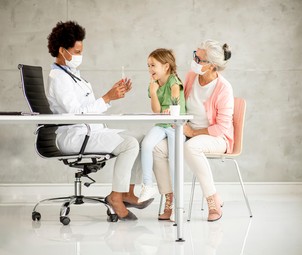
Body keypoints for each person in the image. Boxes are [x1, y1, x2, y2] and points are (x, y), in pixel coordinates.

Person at [46, 21, 153, 221]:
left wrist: (112, 95)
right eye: (76, 51)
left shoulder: (73, 76)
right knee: (129, 144)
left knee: (140, 139)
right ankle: (116, 197)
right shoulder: (58, 78)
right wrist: (107, 98)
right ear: (62, 50)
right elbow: (77, 114)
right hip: (74, 136)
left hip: (88, 132)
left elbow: (89, 107)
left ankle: (127, 192)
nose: (80, 55)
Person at [153, 39, 234, 222]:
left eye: (199, 59)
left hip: (215, 137)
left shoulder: (223, 89)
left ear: (212, 66)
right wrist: (171, 110)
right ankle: (171, 199)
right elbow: (179, 102)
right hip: (186, 132)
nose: (194, 61)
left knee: (191, 147)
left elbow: (222, 127)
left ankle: (212, 199)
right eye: (194, 56)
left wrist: (192, 133)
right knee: (157, 148)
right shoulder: (191, 76)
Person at [138, 48, 186, 221]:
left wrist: (172, 108)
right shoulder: (155, 84)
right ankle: (148, 185)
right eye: (148, 66)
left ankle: (177, 205)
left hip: (175, 126)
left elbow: (175, 98)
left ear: (166, 67)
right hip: (162, 124)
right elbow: (156, 111)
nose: (150, 69)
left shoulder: (174, 80)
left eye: (153, 65)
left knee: (174, 163)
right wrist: (152, 91)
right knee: (146, 144)